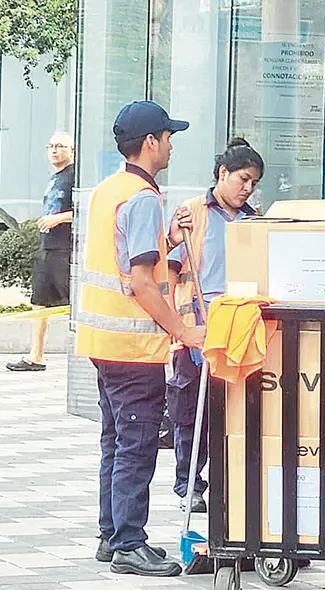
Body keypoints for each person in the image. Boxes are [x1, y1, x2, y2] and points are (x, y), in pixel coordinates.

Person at [75, 100, 204, 577]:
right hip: (132, 348)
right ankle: (130, 544)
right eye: (168, 137)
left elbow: (126, 259)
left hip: (101, 343)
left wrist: (166, 238)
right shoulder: (144, 197)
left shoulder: (111, 190)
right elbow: (143, 282)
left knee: (116, 441)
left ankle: (112, 537)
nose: (171, 145)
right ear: (151, 142)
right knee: (137, 445)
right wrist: (184, 329)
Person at [166, 138, 263, 513]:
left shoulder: (254, 219)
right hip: (197, 326)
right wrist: (176, 327)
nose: (247, 188)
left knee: (230, 409)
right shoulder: (192, 213)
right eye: (242, 178)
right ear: (223, 173)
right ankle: (188, 484)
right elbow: (169, 271)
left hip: (238, 327)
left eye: (253, 182)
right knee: (191, 412)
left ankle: (228, 481)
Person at [6, 132, 76, 372]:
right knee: (39, 302)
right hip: (47, 247)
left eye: (61, 146)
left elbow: (85, 212)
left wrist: (57, 219)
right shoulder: (54, 177)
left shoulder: (74, 176)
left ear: (72, 151)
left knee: (73, 305)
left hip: (64, 250)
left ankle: (86, 356)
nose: (55, 150)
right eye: (51, 146)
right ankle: (36, 356)